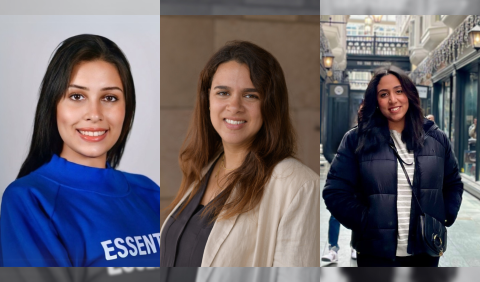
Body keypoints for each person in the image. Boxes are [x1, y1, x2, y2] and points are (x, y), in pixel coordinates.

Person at [0, 34, 160, 267]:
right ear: (53, 104)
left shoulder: (148, 192)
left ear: (127, 108)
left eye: (109, 97)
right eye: (77, 96)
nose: (94, 114)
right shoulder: (29, 200)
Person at [160, 40, 320, 267]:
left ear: (270, 105)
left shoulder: (298, 186)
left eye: (250, 95)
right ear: (208, 100)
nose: (234, 106)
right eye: (223, 92)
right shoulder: (204, 167)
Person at [323, 66, 463, 267]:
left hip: (425, 250)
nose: (393, 100)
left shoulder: (436, 138)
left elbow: (453, 183)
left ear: (409, 94)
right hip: (375, 254)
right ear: (375, 101)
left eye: (399, 91)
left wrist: (445, 216)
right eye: (384, 94)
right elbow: (335, 191)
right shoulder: (356, 139)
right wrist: (365, 222)